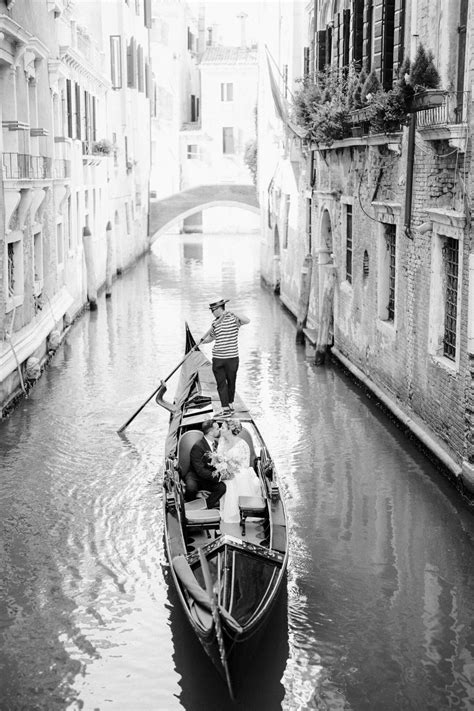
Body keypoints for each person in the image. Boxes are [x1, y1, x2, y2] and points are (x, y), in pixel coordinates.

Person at [202, 299, 250, 417]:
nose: (212, 313)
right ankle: (225, 408)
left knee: (231, 382)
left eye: (213, 310)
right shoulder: (215, 323)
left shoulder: (234, 320)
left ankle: (230, 404)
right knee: (221, 383)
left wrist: (232, 312)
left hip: (232, 358)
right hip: (218, 358)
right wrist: (201, 341)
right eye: (211, 311)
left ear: (220, 309)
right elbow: (211, 338)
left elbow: (247, 320)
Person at [217, 419, 262, 524]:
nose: (220, 429)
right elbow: (219, 459)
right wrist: (223, 469)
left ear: (230, 429)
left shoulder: (242, 444)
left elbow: (245, 465)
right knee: (227, 482)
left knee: (237, 480)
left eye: (222, 427)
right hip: (225, 472)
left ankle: (241, 512)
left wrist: (231, 471)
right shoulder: (221, 441)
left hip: (240, 472)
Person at [185, 419, 226, 509]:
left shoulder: (216, 443)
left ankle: (207, 505)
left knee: (222, 487)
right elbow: (200, 470)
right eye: (217, 428)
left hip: (208, 477)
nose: (219, 430)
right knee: (191, 488)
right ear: (211, 432)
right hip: (196, 477)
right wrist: (217, 477)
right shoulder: (198, 446)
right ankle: (191, 505)